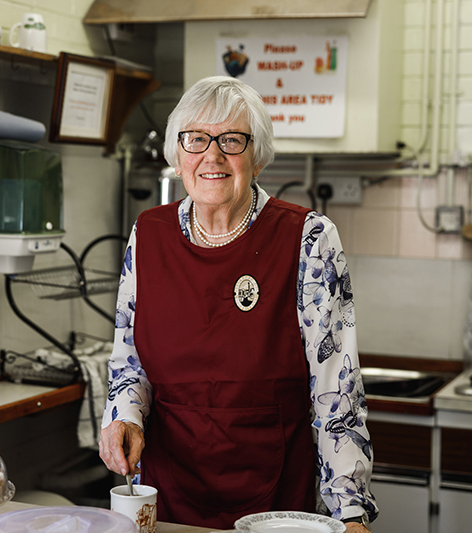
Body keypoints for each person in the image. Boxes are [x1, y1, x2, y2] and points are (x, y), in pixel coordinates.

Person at [99, 76, 377, 531]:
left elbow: (336, 390)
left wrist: (351, 512)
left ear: (257, 154)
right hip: (167, 494)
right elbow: (130, 362)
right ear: (178, 152)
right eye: (196, 140)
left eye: (231, 140)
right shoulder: (148, 234)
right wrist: (124, 416)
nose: (212, 155)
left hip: (275, 497)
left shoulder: (308, 238)